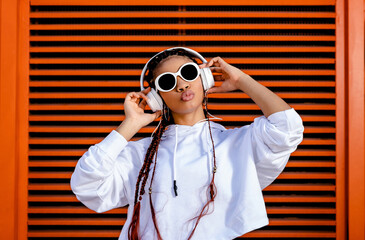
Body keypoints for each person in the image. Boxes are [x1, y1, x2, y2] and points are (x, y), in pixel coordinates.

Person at [70, 47, 304, 240]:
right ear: (155, 96)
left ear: (205, 79)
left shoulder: (237, 144)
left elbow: (287, 128)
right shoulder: (138, 155)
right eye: (168, 81)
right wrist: (131, 124)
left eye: (189, 73)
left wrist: (241, 80)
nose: (181, 85)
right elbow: (86, 185)